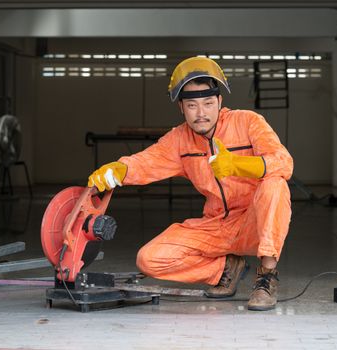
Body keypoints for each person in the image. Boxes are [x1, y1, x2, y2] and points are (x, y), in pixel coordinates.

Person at [87, 56, 293, 311]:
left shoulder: (248, 122)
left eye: (208, 103)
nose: (201, 113)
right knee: (149, 259)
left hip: (255, 221)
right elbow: (146, 162)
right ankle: (226, 269)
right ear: (181, 108)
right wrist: (117, 170)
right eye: (192, 105)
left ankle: (266, 278)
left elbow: (283, 162)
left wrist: (238, 165)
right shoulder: (179, 139)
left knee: (275, 185)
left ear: (220, 101)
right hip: (216, 226)